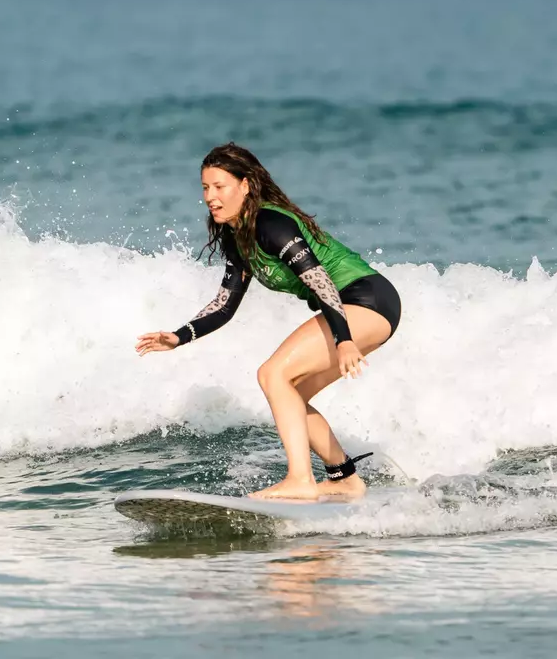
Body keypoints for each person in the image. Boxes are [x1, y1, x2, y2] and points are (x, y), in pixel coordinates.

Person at [135, 143, 401, 499]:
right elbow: (225, 305)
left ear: (245, 186)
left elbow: (320, 283)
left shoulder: (271, 224)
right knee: (291, 394)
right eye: (205, 188)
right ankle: (345, 478)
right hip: (351, 309)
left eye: (219, 186)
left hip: (367, 299)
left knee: (271, 374)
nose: (210, 197)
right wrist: (179, 337)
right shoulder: (237, 235)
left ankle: (300, 481)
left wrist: (345, 340)